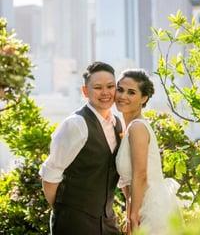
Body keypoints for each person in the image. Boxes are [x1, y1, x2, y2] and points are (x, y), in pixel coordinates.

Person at [39, 61, 122, 235]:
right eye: (98, 87)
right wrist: (66, 211)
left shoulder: (117, 124)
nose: (105, 92)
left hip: (107, 221)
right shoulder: (75, 124)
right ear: (85, 91)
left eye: (110, 86)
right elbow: (50, 174)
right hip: (74, 223)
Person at [115, 69, 180, 235]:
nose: (123, 96)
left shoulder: (137, 127)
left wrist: (133, 214)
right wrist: (130, 210)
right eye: (120, 89)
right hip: (143, 205)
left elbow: (141, 175)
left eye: (131, 92)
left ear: (143, 98)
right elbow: (129, 184)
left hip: (151, 208)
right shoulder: (130, 127)